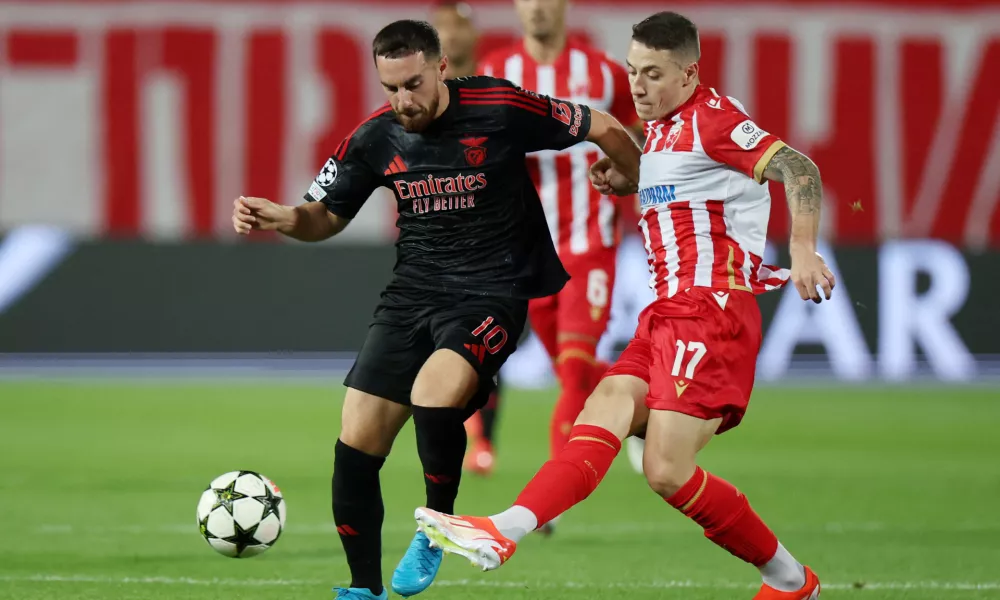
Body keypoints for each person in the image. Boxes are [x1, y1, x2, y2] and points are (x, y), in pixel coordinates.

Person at [412, 11, 832, 600]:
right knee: (601, 407)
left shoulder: (712, 118)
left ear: (689, 74)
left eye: (653, 74)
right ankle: (503, 531)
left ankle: (790, 579)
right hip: (664, 315)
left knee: (666, 470)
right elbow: (687, 184)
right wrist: (628, 177)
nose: (637, 86)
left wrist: (805, 249)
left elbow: (798, 167)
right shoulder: (659, 129)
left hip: (712, 311)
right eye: (633, 71)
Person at [231, 19, 641, 600]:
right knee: (355, 444)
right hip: (412, 296)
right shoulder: (373, 138)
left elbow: (599, 122)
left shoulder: (498, 105)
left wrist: (633, 176)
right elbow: (323, 215)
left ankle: (436, 526)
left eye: (413, 84)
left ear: (441, 66)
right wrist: (282, 217)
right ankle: (361, 589)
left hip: (493, 294)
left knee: (432, 393)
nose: (403, 100)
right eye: (390, 87)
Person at [463, 0, 646, 490]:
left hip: (592, 242)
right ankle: (644, 405)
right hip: (526, 247)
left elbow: (641, 134)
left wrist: (634, 174)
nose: (537, 8)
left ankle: (551, 490)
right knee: (577, 371)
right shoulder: (495, 72)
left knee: (572, 370)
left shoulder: (604, 72)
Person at [428, 0, 506, 476]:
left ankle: (480, 440)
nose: (450, 37)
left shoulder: (496, 90)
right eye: (441, 29)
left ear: (474, 35)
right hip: (437, 236)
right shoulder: (420, 95)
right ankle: (466, 439)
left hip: (494, 237)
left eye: (458, 27)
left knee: (485, 343)